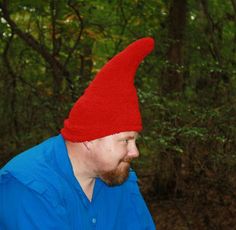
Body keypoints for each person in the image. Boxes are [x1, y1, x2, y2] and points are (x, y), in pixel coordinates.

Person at [0, 37, 155, 229]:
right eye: (125, 140)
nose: (135, 152)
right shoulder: (28, 186)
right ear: (89, 139)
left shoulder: (119, 178)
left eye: (134, 140)